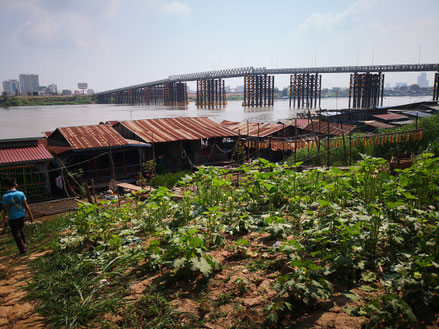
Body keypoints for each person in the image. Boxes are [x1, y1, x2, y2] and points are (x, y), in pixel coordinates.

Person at [1, 177, 34, 255]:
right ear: (16, 185)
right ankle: (25, 243)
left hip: (12, 217)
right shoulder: (21, 193)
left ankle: (22, 249)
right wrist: (30, 215)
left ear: (5, 186)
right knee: (21, 229)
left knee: (16, 233)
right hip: (21, 215)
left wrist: (4, 217)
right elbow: (26, 205)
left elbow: (5, 209)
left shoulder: (5, 196)